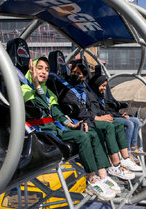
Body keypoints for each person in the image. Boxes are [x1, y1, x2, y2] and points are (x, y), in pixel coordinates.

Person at [21, 57, 121, 200]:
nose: (44, 72)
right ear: (32, 70)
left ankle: (103, 175)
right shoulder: (25, 90)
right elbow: (41, 105)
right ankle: (92, 179)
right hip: (43, 134)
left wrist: (73, 125)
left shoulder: (48, 92)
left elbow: (58, 114)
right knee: (83, 137)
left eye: (47, 69)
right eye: (40, 68)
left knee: (92, 131)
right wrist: (36, 84)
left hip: (56, 130)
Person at [59, 62, 141, 177]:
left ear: (84, 77)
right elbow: (78, 111)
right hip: (80, 121)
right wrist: (97, 118)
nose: (75, 75)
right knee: (109, 126)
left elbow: (93, 108)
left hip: (89, 117)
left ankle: (125, 157)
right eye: (74, 72)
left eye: (79, 74)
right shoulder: (68, 91)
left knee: (117, 124)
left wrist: (109, 116)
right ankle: (116, 165)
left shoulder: (84, 91)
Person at [88, 75, 146, 159]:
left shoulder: (101, 96)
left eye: (105, 86)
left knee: (136, 121)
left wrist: (120, 115)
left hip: (110, 115)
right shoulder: (92, 97)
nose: (104, 88)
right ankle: (127, 151)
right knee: (129, 124)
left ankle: (133, 146)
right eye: (103, 86)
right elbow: (99, 112)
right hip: (104, 117)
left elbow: (108, 110)